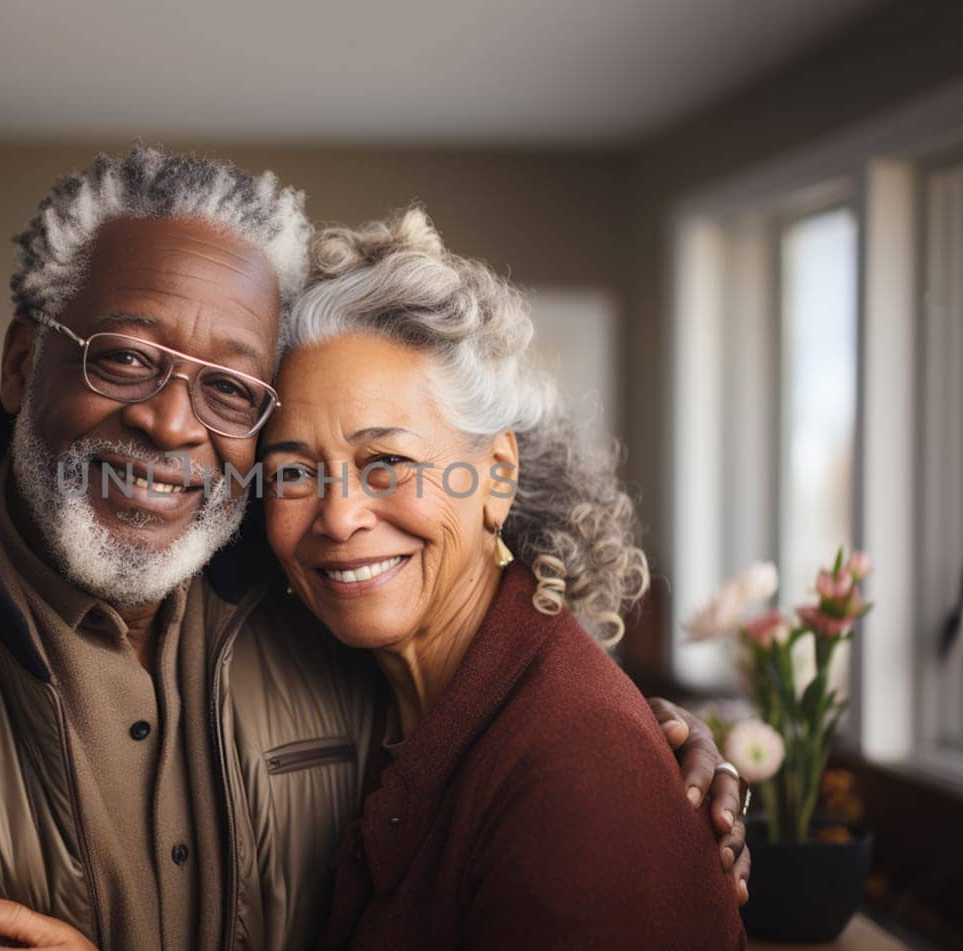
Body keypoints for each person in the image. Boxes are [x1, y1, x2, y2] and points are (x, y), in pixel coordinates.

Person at [0, 147, 749, 951]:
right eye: (122, 357)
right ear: (23, 364)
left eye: (228, 389)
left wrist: (640, 768)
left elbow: (509, 751)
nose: (169, 423)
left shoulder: (317, 603)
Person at [256, 208, 746, 948]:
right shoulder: (388, 696)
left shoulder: (576, 774)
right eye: (293, 470)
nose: (338, 515)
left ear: (498, 476)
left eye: (385, 461)